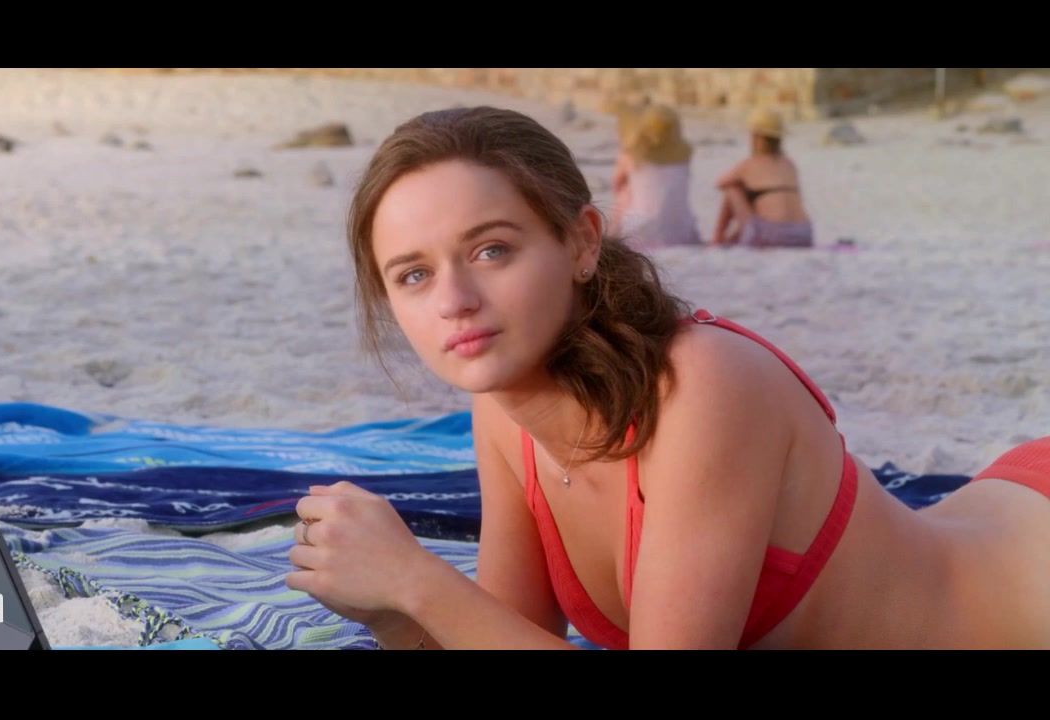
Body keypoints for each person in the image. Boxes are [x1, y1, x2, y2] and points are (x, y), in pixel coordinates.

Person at [283, 105, 1050, 650]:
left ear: (582, 243)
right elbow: (503, 636)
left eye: (492, 250)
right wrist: (388, 608)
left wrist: (417, 580)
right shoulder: (502, 415)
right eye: (414, 275)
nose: (454, 299)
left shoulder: (701, 387)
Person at [711, 107, 814, 248]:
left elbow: (719, 184)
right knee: (760, 197)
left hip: (771, 236)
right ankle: (729, 239)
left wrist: (745, 188)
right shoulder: (790, 164)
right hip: (804, 234)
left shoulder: (748, 165)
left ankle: (717, 239)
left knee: (733, 189)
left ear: (756, 136)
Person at [609, 104, 702, 246]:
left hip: (641, 229)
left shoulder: (631, 156)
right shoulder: (684, 157)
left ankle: (611, 236)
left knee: (625, 191)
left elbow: (616, 184)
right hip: (681, 229)